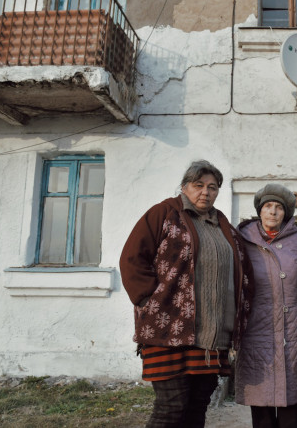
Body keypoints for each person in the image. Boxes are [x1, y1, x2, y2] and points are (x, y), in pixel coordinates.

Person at [119, 160, 254, 428]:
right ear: (184, 187)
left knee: (196, 407)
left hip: (212, 334)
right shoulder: (164, 213)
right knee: (171, 407)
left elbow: (244, 270)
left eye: (212, 187)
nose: (206, 192)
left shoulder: (223, 225)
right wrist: (149, 301)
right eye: (198, 185)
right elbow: (132, 258)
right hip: (168, 330)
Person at [235, 183, 297, 428]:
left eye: (278, 207)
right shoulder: (242, 240)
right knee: (262, 412)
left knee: (291, 412)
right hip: (257, 334)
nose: (273, 212)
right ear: (259, 211)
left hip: (295, 334)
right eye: (267, 206)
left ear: (286, 213)